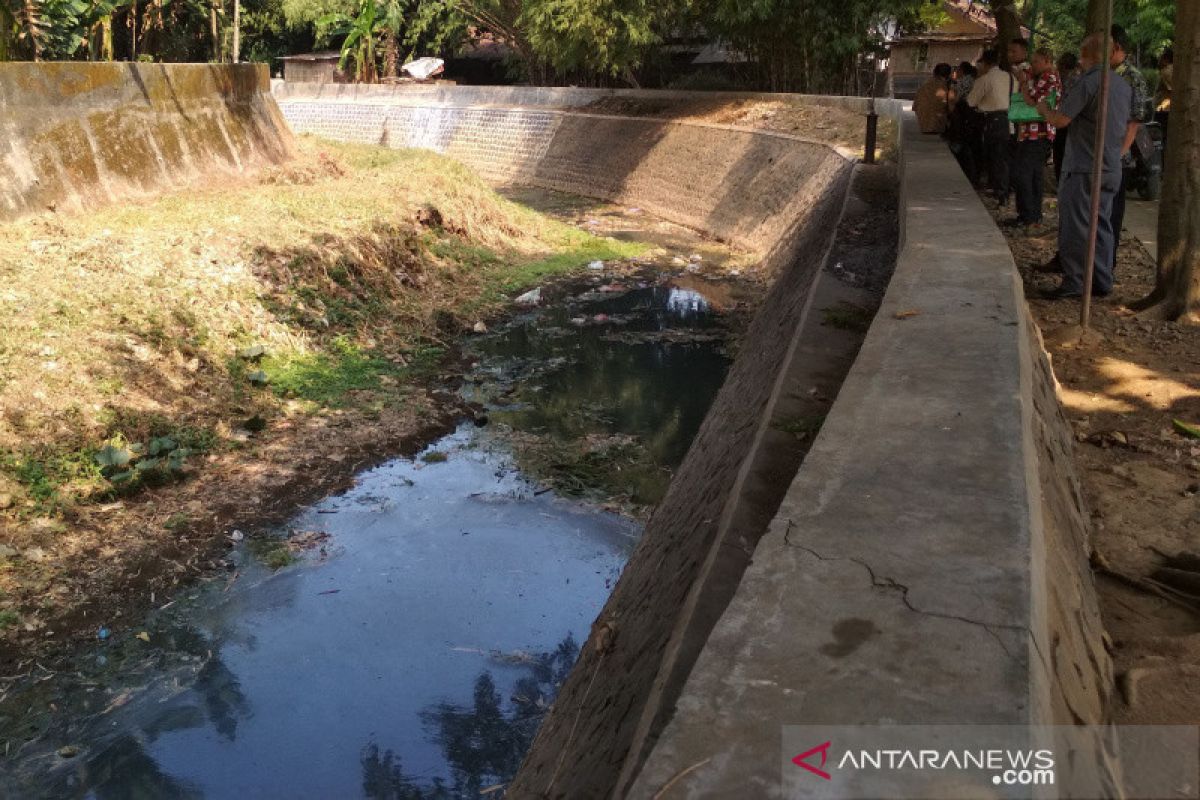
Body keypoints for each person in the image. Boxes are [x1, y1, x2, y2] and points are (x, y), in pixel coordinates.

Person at [1036, 33, 1133, 300]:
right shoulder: (1123, 86)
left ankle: (1076, 281)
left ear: (1084, 55)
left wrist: (1044, 109)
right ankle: (1101, 279)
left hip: (1084, 166)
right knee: (1101, 224)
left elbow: (1061, 120)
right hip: (1111, 165)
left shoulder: (1088, 83)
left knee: (1077, 226)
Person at [1109, 24, 1152, 269]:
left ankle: (1106, 266)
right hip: (1100, 153)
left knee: (1112, 214)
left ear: (1116, 47)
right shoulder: (1106, 72)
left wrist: (1120, 154)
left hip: (1117, 157)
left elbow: (1134, 121)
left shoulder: (1131, 77)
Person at [1009, 47, 1061, 231]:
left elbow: (1033, 100)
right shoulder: (1037, 77)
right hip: (1028, 133)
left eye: (1037, 61)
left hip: (1038, 133)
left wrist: (1023, 83)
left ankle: (1030, 216)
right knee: (1030, 175)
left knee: (1025, 174)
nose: (1034, 65)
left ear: (1047, 61)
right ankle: (1028, 215)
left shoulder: (1049, 78)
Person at [968, 49, 1014, 205]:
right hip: (1010, 119)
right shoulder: (1011, 77)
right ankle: (1004, 190)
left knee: (995, 157)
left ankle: (1000, 192)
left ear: (985, 63)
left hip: (993, 120)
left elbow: (971, 101)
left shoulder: (985, 79)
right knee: (1005, 157)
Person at [1052, 52, 1081, 181]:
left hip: (1060, 121)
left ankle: (1061, 182)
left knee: (1059, 156)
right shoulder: (1080, 80)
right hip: (1075, 124)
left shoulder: (1058, 80)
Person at [914, 63, 956, 134]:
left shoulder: (925, 85)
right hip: (938, 126)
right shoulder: (948, 87)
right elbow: (952, 108)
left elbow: (915, 106)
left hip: (922, 124)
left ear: (934, 72)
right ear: (948, 75)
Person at [1155, 47, 1173, 144]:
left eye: (1161, 56)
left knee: (1162, 137)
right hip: (1165, 108)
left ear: (1166, 59)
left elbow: (1171, 89)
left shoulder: (1167, 71)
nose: (1159, 59)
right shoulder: (1168, 70)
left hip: (1164, 109)